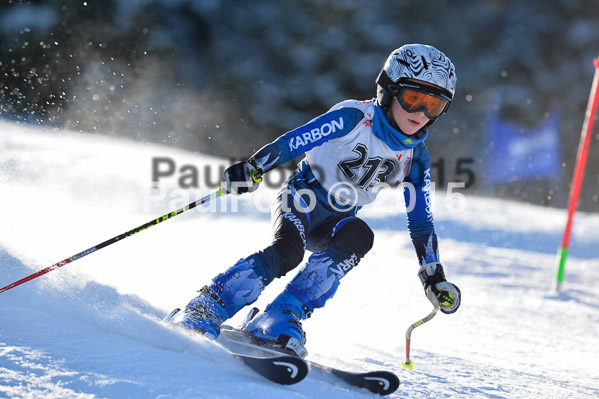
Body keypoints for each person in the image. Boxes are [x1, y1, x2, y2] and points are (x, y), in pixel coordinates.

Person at [173, 44, 461, 357]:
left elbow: (420, 219)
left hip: (336, 219)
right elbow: (297, 140)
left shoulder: (415, 156)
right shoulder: (353, 117)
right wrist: (256, 166)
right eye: (414, 99)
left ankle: (278, 317)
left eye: (434, 105)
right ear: (389, 91)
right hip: (303, 197)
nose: (421, 114)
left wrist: (433, 275)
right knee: (288, 252)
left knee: (361, 235)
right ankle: (209, 304)